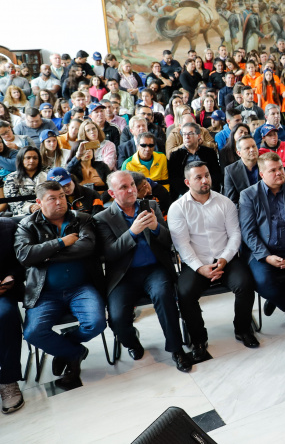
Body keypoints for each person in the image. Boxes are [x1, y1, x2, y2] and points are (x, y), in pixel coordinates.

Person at [95, 172, 192, 372]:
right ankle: (132, 343)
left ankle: (176, 349)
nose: (131, 189)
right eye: (124, 187)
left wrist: (157, 228)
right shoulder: (102, 218)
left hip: (154, 270)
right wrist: (133, 232)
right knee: (118, 318)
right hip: (124, 276)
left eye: (132, 184)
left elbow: (168, 243)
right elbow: (110, 253)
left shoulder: (151, 206)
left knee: (165, 297)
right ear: (112, 193)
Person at [15, 180, 105, 390]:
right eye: (52, 198)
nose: (59, 202)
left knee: (97, 323)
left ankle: (66, 344)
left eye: (62, 197)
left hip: (80, 287)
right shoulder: (27, 224)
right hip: (45, 292)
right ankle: (74, 353)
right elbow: (25, 255)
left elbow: (87, 247)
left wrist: (46, 256)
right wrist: (61, 242)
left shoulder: (81, 218)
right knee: (33, 333)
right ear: (39, 202)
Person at [169, 161, 258, 360]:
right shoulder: (178, 208)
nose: (204, 180)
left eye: (207, 175)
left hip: (225, 258)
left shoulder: (224, 202)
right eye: (198, 177)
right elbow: (182, 245)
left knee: (245, 283)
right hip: (196, 263)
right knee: (185, 292)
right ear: (187, 182)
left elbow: (235, 235)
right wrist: (200, 268)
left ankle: (242, 329)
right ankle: (199, 339)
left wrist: (224, 260)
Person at [239, 153, 285, 318]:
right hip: (263, 252)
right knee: (263, 282)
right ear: (262, 174)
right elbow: (248, 233)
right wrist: (266, 257)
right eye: (273, 170)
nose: (280, 172)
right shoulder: (249, 195)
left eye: (281, 168)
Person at [0, 216, 25, 413]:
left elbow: (23, 260)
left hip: (3, 291)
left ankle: (8, 381)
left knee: (6, 316)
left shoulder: (9, 226)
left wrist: (12, 277)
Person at [167, 123, 222, 201]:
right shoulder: (176, 155)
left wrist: (208, 190)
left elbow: (216, 175)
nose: (187, 136)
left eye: (190, 133)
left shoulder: (209, 152)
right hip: (185, 194)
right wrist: (190, 194)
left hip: (208, 190)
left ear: (198, 136)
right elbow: (174, 180)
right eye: (184, 134)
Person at [2, 146, 46, 216]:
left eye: (35, 158)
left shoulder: (45, 175)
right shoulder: (11, 178)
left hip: (45, 211)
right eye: (28, 158)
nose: (32, 161)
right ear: (21, 159)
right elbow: (13, 200)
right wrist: (31, 207)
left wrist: (41, 207)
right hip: (22, 215)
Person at [223, 135, 260, 205]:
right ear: (239, 153)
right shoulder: (230, 171)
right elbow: (231, 201)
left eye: (254, 146)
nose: (252, 150)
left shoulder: (266, 164)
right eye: (247, 148)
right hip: (244, 210)